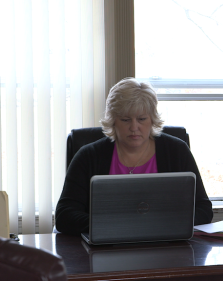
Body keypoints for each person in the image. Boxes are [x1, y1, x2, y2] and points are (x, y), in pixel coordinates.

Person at [55, 77, 213, 235]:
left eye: (142, 119)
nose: (134, 127)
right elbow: (65, 216)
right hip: (105, 248)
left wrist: (162, 224)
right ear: (113, 121)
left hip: (166, 246)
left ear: (152, 120)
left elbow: (203, 209)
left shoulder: (177, 151)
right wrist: (115, 226)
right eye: (125, 119)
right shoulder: (88, 156)